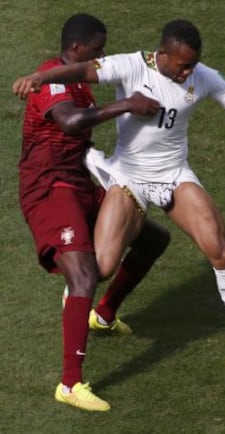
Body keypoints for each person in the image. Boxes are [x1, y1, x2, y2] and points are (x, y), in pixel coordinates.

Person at [13, 19, 225, 377]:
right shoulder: (132, 65)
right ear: (164, 54)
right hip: (130, 179)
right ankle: (102, 175)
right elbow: (82, 68)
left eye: (193, 64)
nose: (189, 71)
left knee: (220, 249)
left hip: (173, 175)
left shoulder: (202, 75)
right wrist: (41, 78)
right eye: (183, 64)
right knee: (100, 270)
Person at [14, 13, 170, 412]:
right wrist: (126, 105)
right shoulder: (51, 77)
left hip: (81, 180)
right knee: (83, 274)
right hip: (49, 188)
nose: (102, 55)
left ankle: (103, 314)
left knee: (154, 238)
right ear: (78, 47)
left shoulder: (80, 76)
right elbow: (69, 122)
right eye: (98, 49)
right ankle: (70, 384)